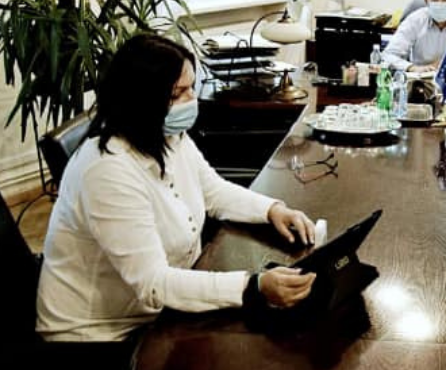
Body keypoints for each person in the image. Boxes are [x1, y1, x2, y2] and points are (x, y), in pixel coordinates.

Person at [35, 34, 317, 366]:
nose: (190, 100)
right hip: (99, 337)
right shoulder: (106, 170)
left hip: (160, 311)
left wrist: (272, 209)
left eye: (191, 88)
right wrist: (253, 287)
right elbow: (153, 283)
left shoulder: (166, 135)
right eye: (177, 94)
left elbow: (213, 190)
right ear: (142, 100)